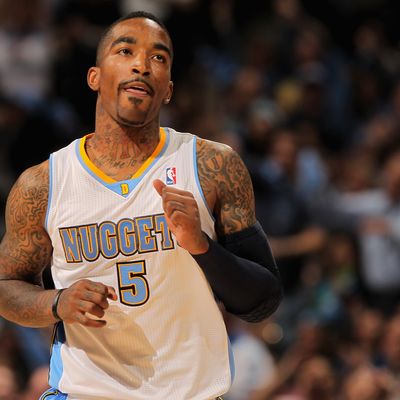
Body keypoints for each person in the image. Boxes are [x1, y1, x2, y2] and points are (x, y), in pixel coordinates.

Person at [0, 11, 282, 400]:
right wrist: (57, 301)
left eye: (158, 58)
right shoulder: (43, 184)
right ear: (94, 77)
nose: (142, 65)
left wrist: (202, 246)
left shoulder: (212, 166)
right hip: (86, 393)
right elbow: (5, 286)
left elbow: (262, 300)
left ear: (167, 89)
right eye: (125, 50)